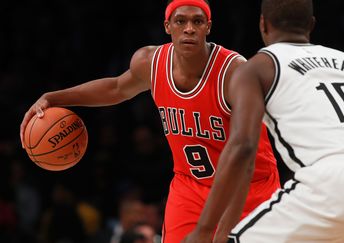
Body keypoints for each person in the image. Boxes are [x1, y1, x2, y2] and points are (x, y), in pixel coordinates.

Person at [19, 0, 281, 242]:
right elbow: (116, 88)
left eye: (197, 22)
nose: (189, 29)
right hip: (190, 186)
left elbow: (245, 157)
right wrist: (54, 98)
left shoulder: (234, 71)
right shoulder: (151, 63)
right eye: (180, 21)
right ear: (167, 26)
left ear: (208, 27)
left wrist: (222, 232)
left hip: (249, 187)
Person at [182, 0, 344, 242]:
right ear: (311, 25)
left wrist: (204, 230)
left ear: (263, 24)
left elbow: (244, 148)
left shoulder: (258, 67)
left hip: (331, 185)